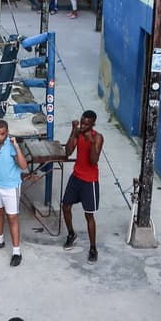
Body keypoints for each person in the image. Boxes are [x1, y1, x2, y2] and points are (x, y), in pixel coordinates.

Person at [0, 120, 30, 266]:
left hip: (11, 187)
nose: (0, 136)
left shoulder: (12, 146)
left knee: (12, 218)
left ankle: (16, 251)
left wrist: (16, 146)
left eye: (2, 134)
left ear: (7, 132)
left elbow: (23, 165)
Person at [62, 110, 104, 263]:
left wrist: (91, 142)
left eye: (87, 124)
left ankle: (93, 248)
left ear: (93, 124)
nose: (83, 125)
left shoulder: (98, 137)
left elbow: (93, 161)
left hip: (89, 181)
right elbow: (67, 151)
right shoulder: (79, 133)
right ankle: (71, 234)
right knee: (65, 206)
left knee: (89, 215)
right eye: (82, 122)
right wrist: (73, 131)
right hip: (76, 177)